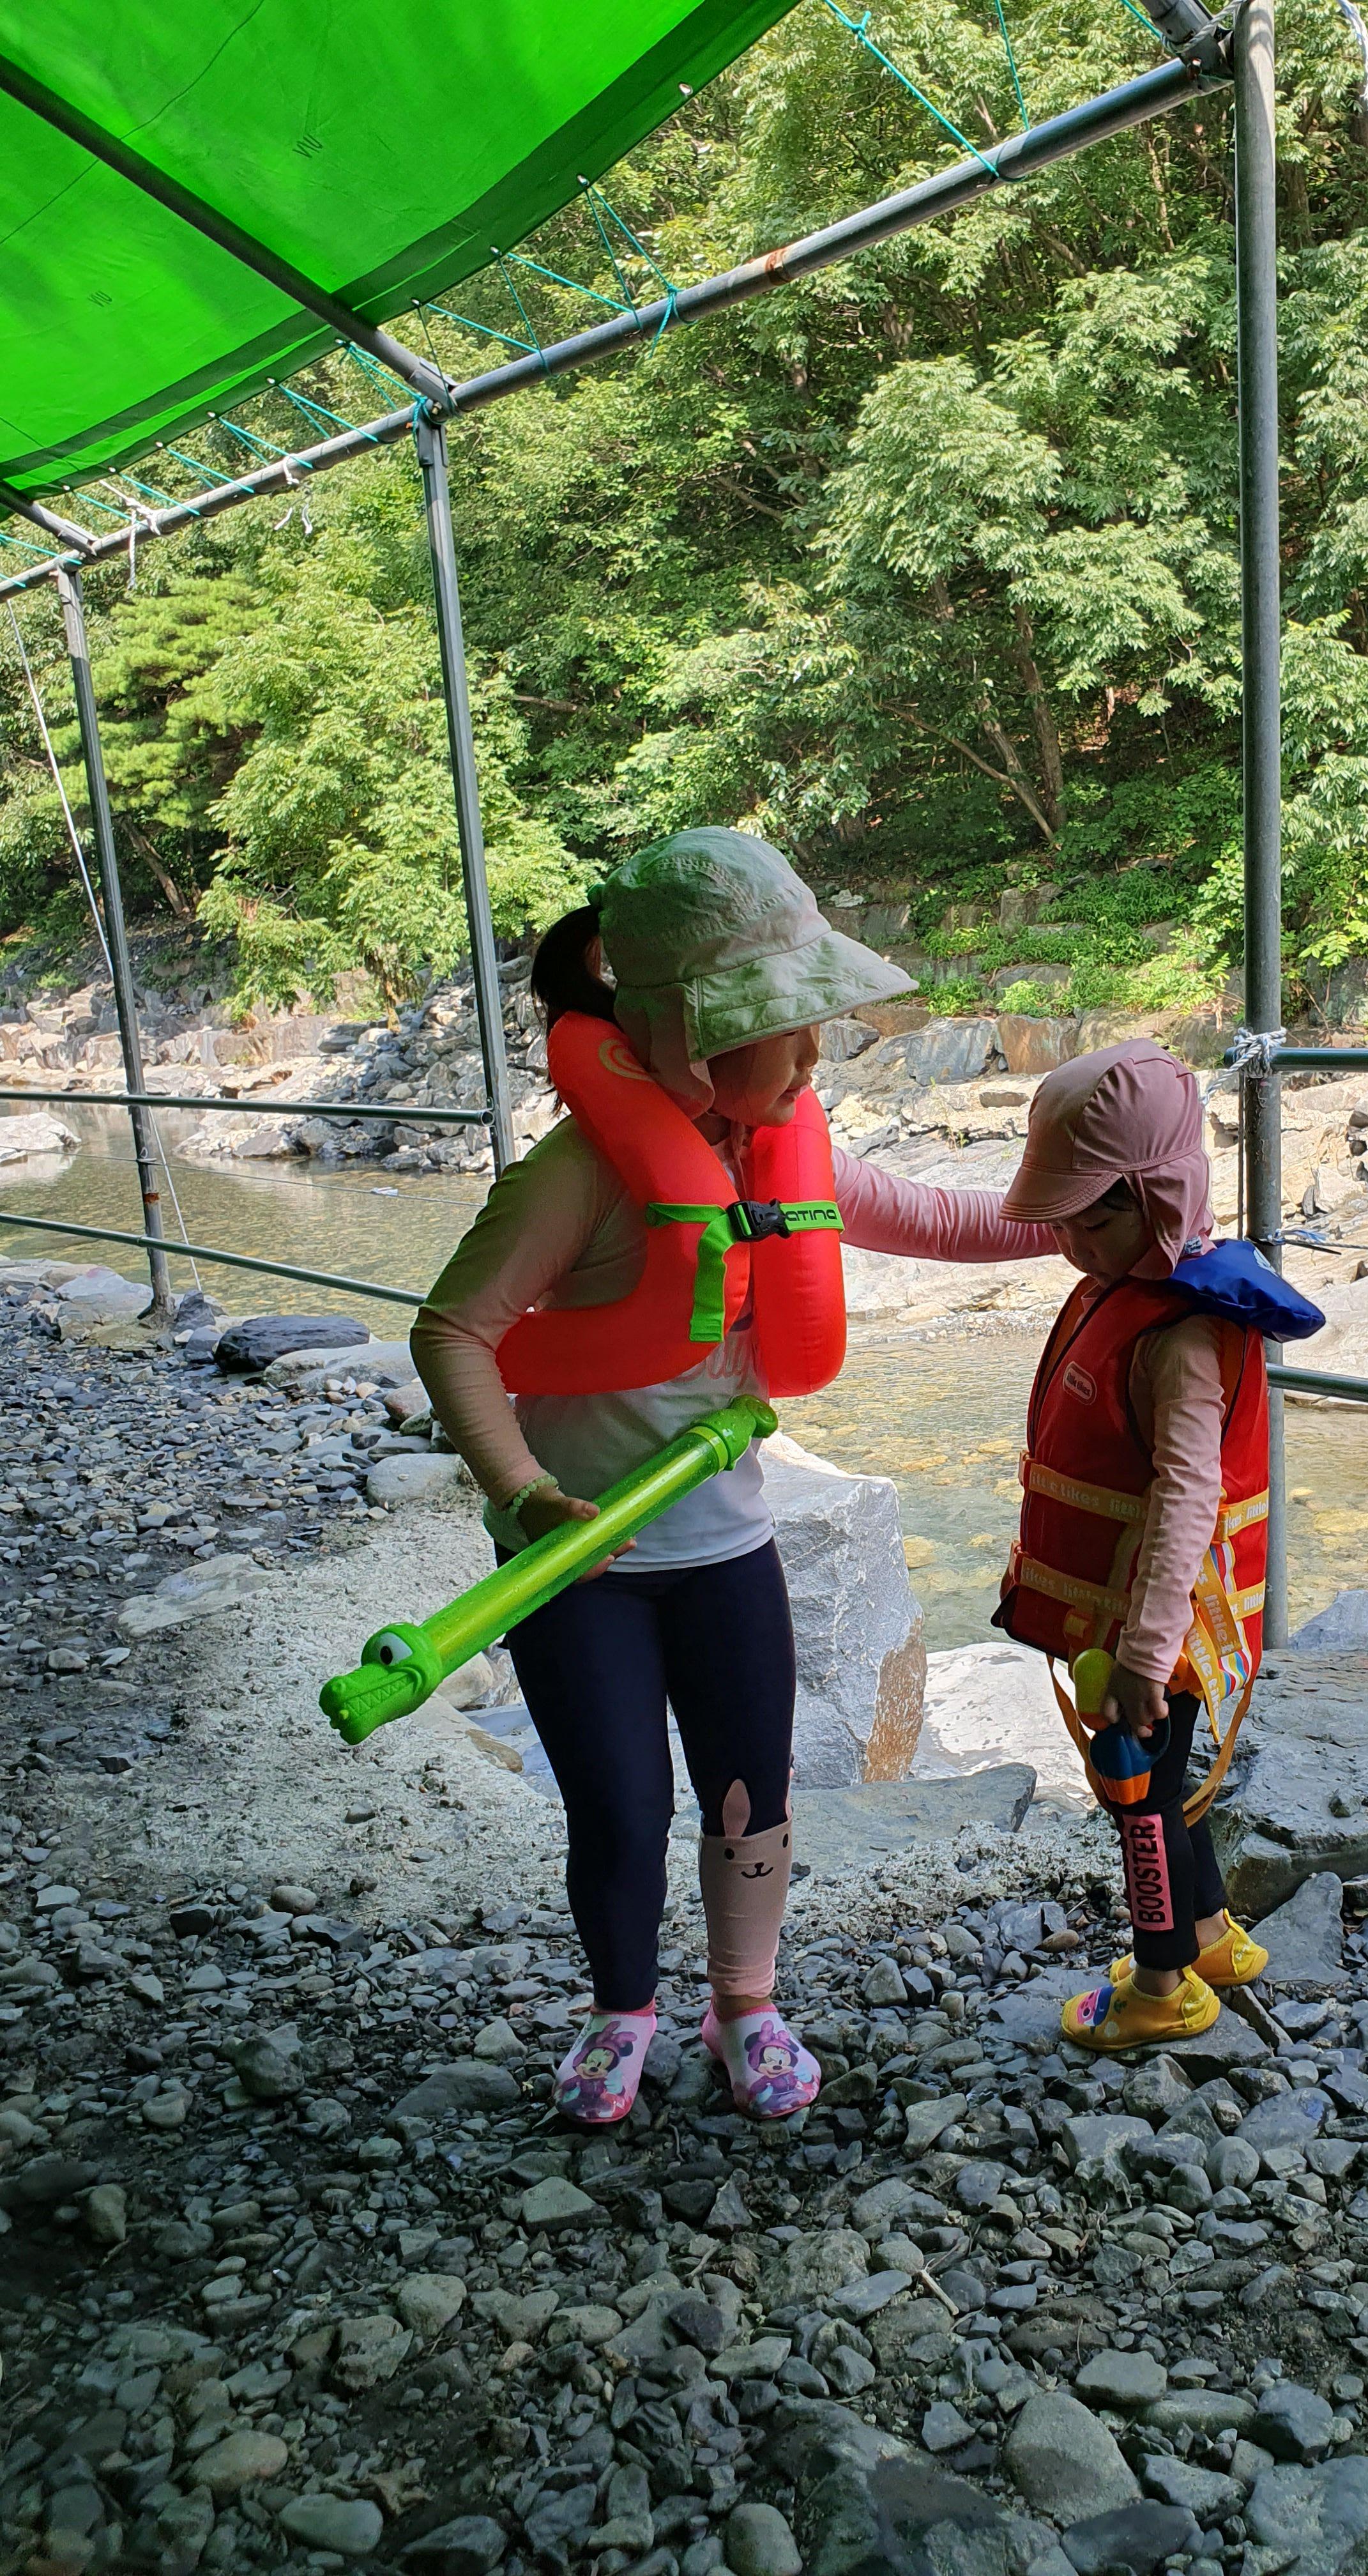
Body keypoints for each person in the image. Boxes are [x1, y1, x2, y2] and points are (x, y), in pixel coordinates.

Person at [411, 829, 1055, 2126]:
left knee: (749, 1794)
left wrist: (1097, 1220)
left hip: (723, 1554)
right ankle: (623, 2013)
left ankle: (746, 2004)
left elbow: (943, 1218)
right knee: (617, 1802)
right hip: (573, 1562)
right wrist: (523, 1488)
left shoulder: (783, 1157)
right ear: (686, 1036)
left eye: (818, 1029)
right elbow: (453, 1332)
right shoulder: (580, 1175)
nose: (814, 1060)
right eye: (787, 1030)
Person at [991, 1039, 1323, 2053]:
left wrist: (1142, 1656)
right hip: (1141, 1617)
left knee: (1136, 1796)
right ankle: (1213, 1934)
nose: (1068, 1240)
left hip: (1162, 1627)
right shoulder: (1122, 1279)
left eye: (1093, 1215)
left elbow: (1189, 1493)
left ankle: (1164, 1987)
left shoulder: (1181, 1335)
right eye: (1061, 1214)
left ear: (1163, 1197)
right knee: (1167, 1789)